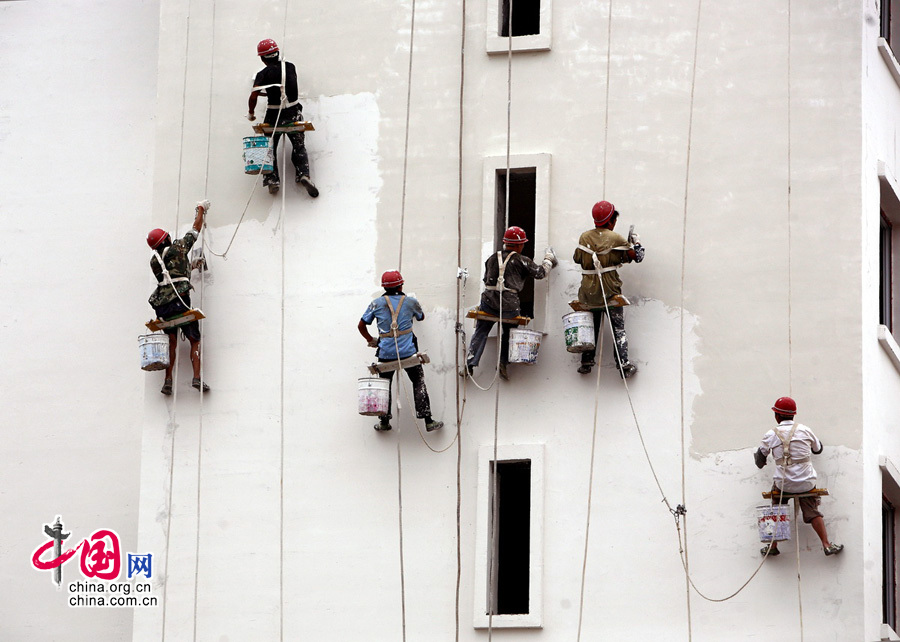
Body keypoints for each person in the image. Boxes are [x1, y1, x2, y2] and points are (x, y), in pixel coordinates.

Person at [754, 396, 843, 557]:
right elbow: (818, 449)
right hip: (806, 482)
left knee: (776, 507)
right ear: (793, 415)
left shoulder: (770, 434)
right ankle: (827, 544)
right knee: (812, 511)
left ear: (777, 416)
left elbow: (759, 461)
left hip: (783, 485)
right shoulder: (805, 430)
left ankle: (772, 545)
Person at [465, 226, 557, 380]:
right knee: (509, 331)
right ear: (519, 244)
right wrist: (548, 259)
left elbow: (486, 279)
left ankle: (470, 362)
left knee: (481, 329)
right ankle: (503, 363)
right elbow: (540, 273)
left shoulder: (492, 258)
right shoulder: (522, 260)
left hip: (488, 302)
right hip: (509, 306)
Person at [358, 270, 443, 432]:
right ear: (401, 284)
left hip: (385, 355)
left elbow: (361, 326)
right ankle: (428, 420)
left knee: (384, 385)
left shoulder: (376, 303)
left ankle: (384, 422)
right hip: (408, 353)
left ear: (384, 287)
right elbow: (421, 317)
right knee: (418, 382)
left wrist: (371, 340)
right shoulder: (411, 301)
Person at [572, 200, 644, 377]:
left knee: (592, 326)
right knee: (618, 329)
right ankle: (624, 365)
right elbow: (637, 257)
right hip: (609, 291)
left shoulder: (584, 237)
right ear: (611, 221)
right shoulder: (615, 238)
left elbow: (577, 258)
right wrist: (636, 244)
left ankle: (586, 362)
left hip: (588, 293)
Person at [147, 201, 210, 395]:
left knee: (171, 342)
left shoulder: (154, 261)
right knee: (194, 340)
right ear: (166, 239)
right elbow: (196, 229)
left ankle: (168, 380)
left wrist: (189, 267)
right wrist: (201, 209)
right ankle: (197, 378)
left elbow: (169, 276)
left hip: (162, 307)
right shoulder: (179, 247)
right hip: (179, 301)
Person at [247, 38, 319, 198]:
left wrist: (251, 113)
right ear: (277, 53)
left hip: (273, 115)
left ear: (262, 58)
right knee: (299, 145)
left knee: (269, 147)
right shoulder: (290, 67)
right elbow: (286, 87)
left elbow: (253, 97)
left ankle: (272, 180)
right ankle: (304, 174)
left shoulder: (262, 74)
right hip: (293, 112)